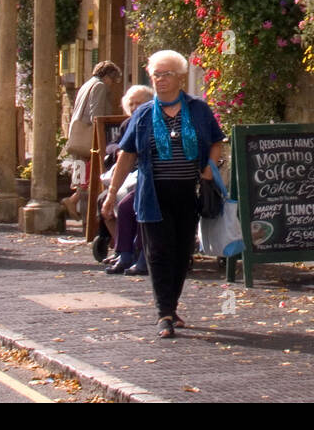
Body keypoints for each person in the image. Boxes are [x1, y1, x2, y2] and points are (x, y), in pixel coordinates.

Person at [101, 51, 224, 337]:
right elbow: (126, 156)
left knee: (182, 253)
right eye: (156, 74)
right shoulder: (143, 114)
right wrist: (111, 194)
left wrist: (208, 171)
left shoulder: (197, 110)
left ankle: (172, 305)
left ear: (180, 76)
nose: (161, 80)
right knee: (157, 253)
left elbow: (217, 143)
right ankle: (164, 313)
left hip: (186, 192)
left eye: (167, 74)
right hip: (151, 194)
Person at [102, 83, 152, 275]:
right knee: (118, 203)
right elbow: (115, 147)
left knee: (137, 205)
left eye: (139, 103)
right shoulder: (127, 124)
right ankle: (124, 253)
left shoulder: (153, 121)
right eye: (131, 103)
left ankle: (141, 254)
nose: (134, 108)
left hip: (150, 177)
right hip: (131, 176)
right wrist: (119, 151)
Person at [62, 61, 122, 220]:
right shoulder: (100, 86)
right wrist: (103, 133)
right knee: (91, 171)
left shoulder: (86, 84)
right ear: (108, 76)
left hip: (77, 134)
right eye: (113, 80)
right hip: (89, 136)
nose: (112, 85)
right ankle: (78, 205)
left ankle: (74, 201)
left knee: (81, 170)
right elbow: (97, 114)